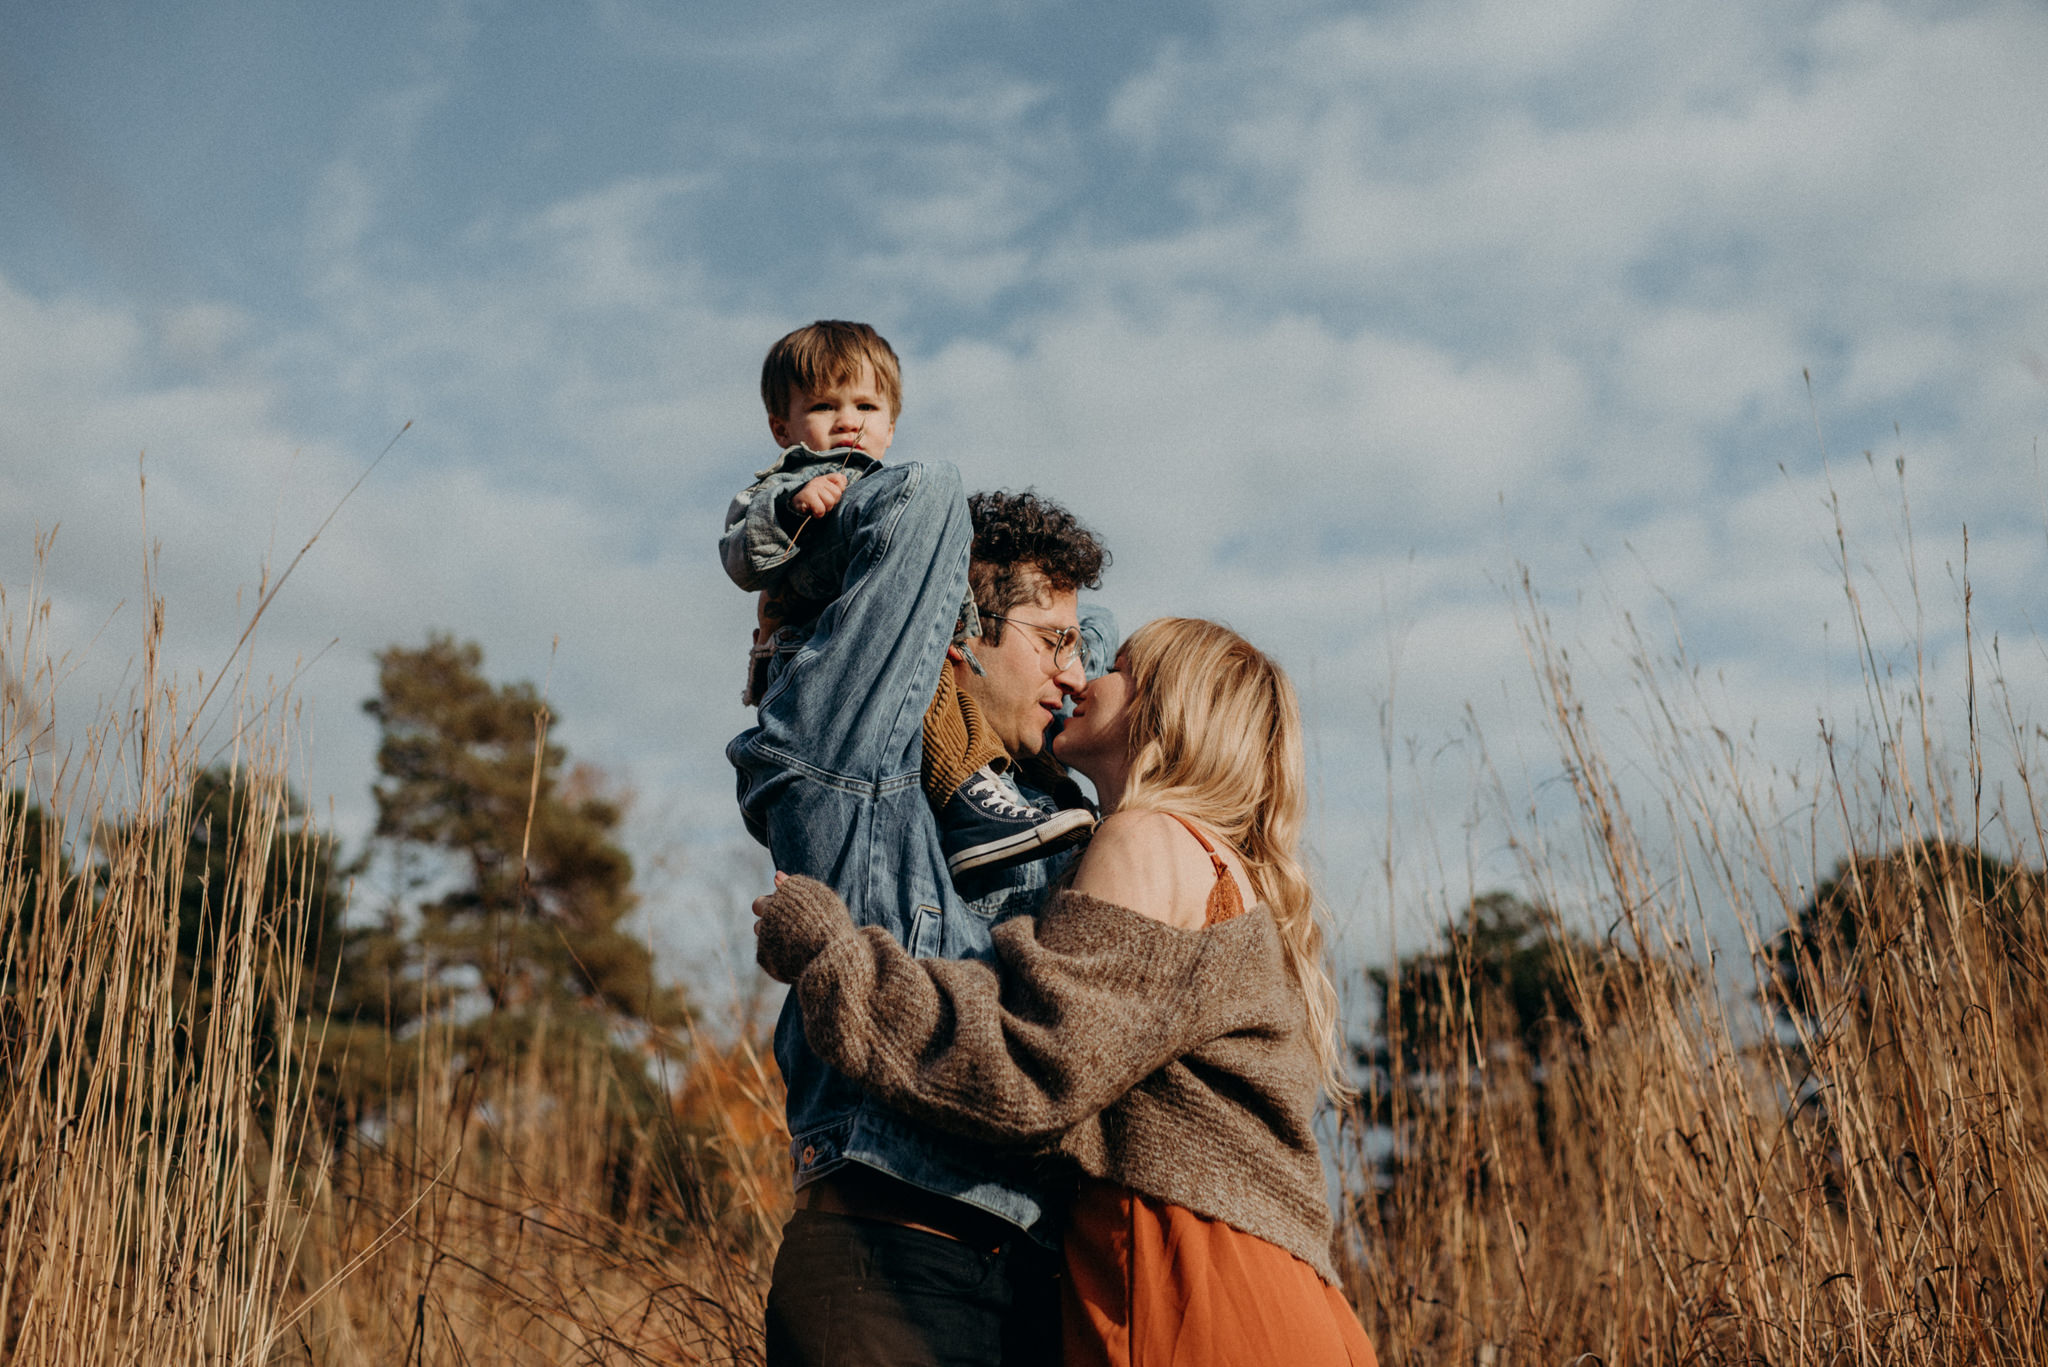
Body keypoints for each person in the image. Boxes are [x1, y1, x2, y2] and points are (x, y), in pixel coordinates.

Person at [752, 618, 1380, 1367]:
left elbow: (1030, 1063)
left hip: (1190, 1290)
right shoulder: (1216, 867)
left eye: (1117, 668)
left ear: (1164, 709)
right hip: (1274, 1295)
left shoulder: (1149, 838)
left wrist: (833, 956)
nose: (1083, 680)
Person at [725, 400, 1116, 1365]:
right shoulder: (859, 771)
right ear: (951, 633)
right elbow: (919, 506)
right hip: (893, 1256)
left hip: (1040, 1270)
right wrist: (790, 555)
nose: (1077, 671)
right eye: (1054, 640)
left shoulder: (1045, 802)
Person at [722, 320, 1094, 879]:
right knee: (931, 484)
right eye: (824, 406)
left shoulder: (895, 496)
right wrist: (793, 507)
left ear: (891, 426)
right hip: (819, 660)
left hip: (891, 641)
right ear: (783, 427)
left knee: (959, 696)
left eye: (867, 407)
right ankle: (970, 795)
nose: (849, 420)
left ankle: (1027, 790)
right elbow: (739, 554)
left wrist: (946, 627)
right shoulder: (786, 483)